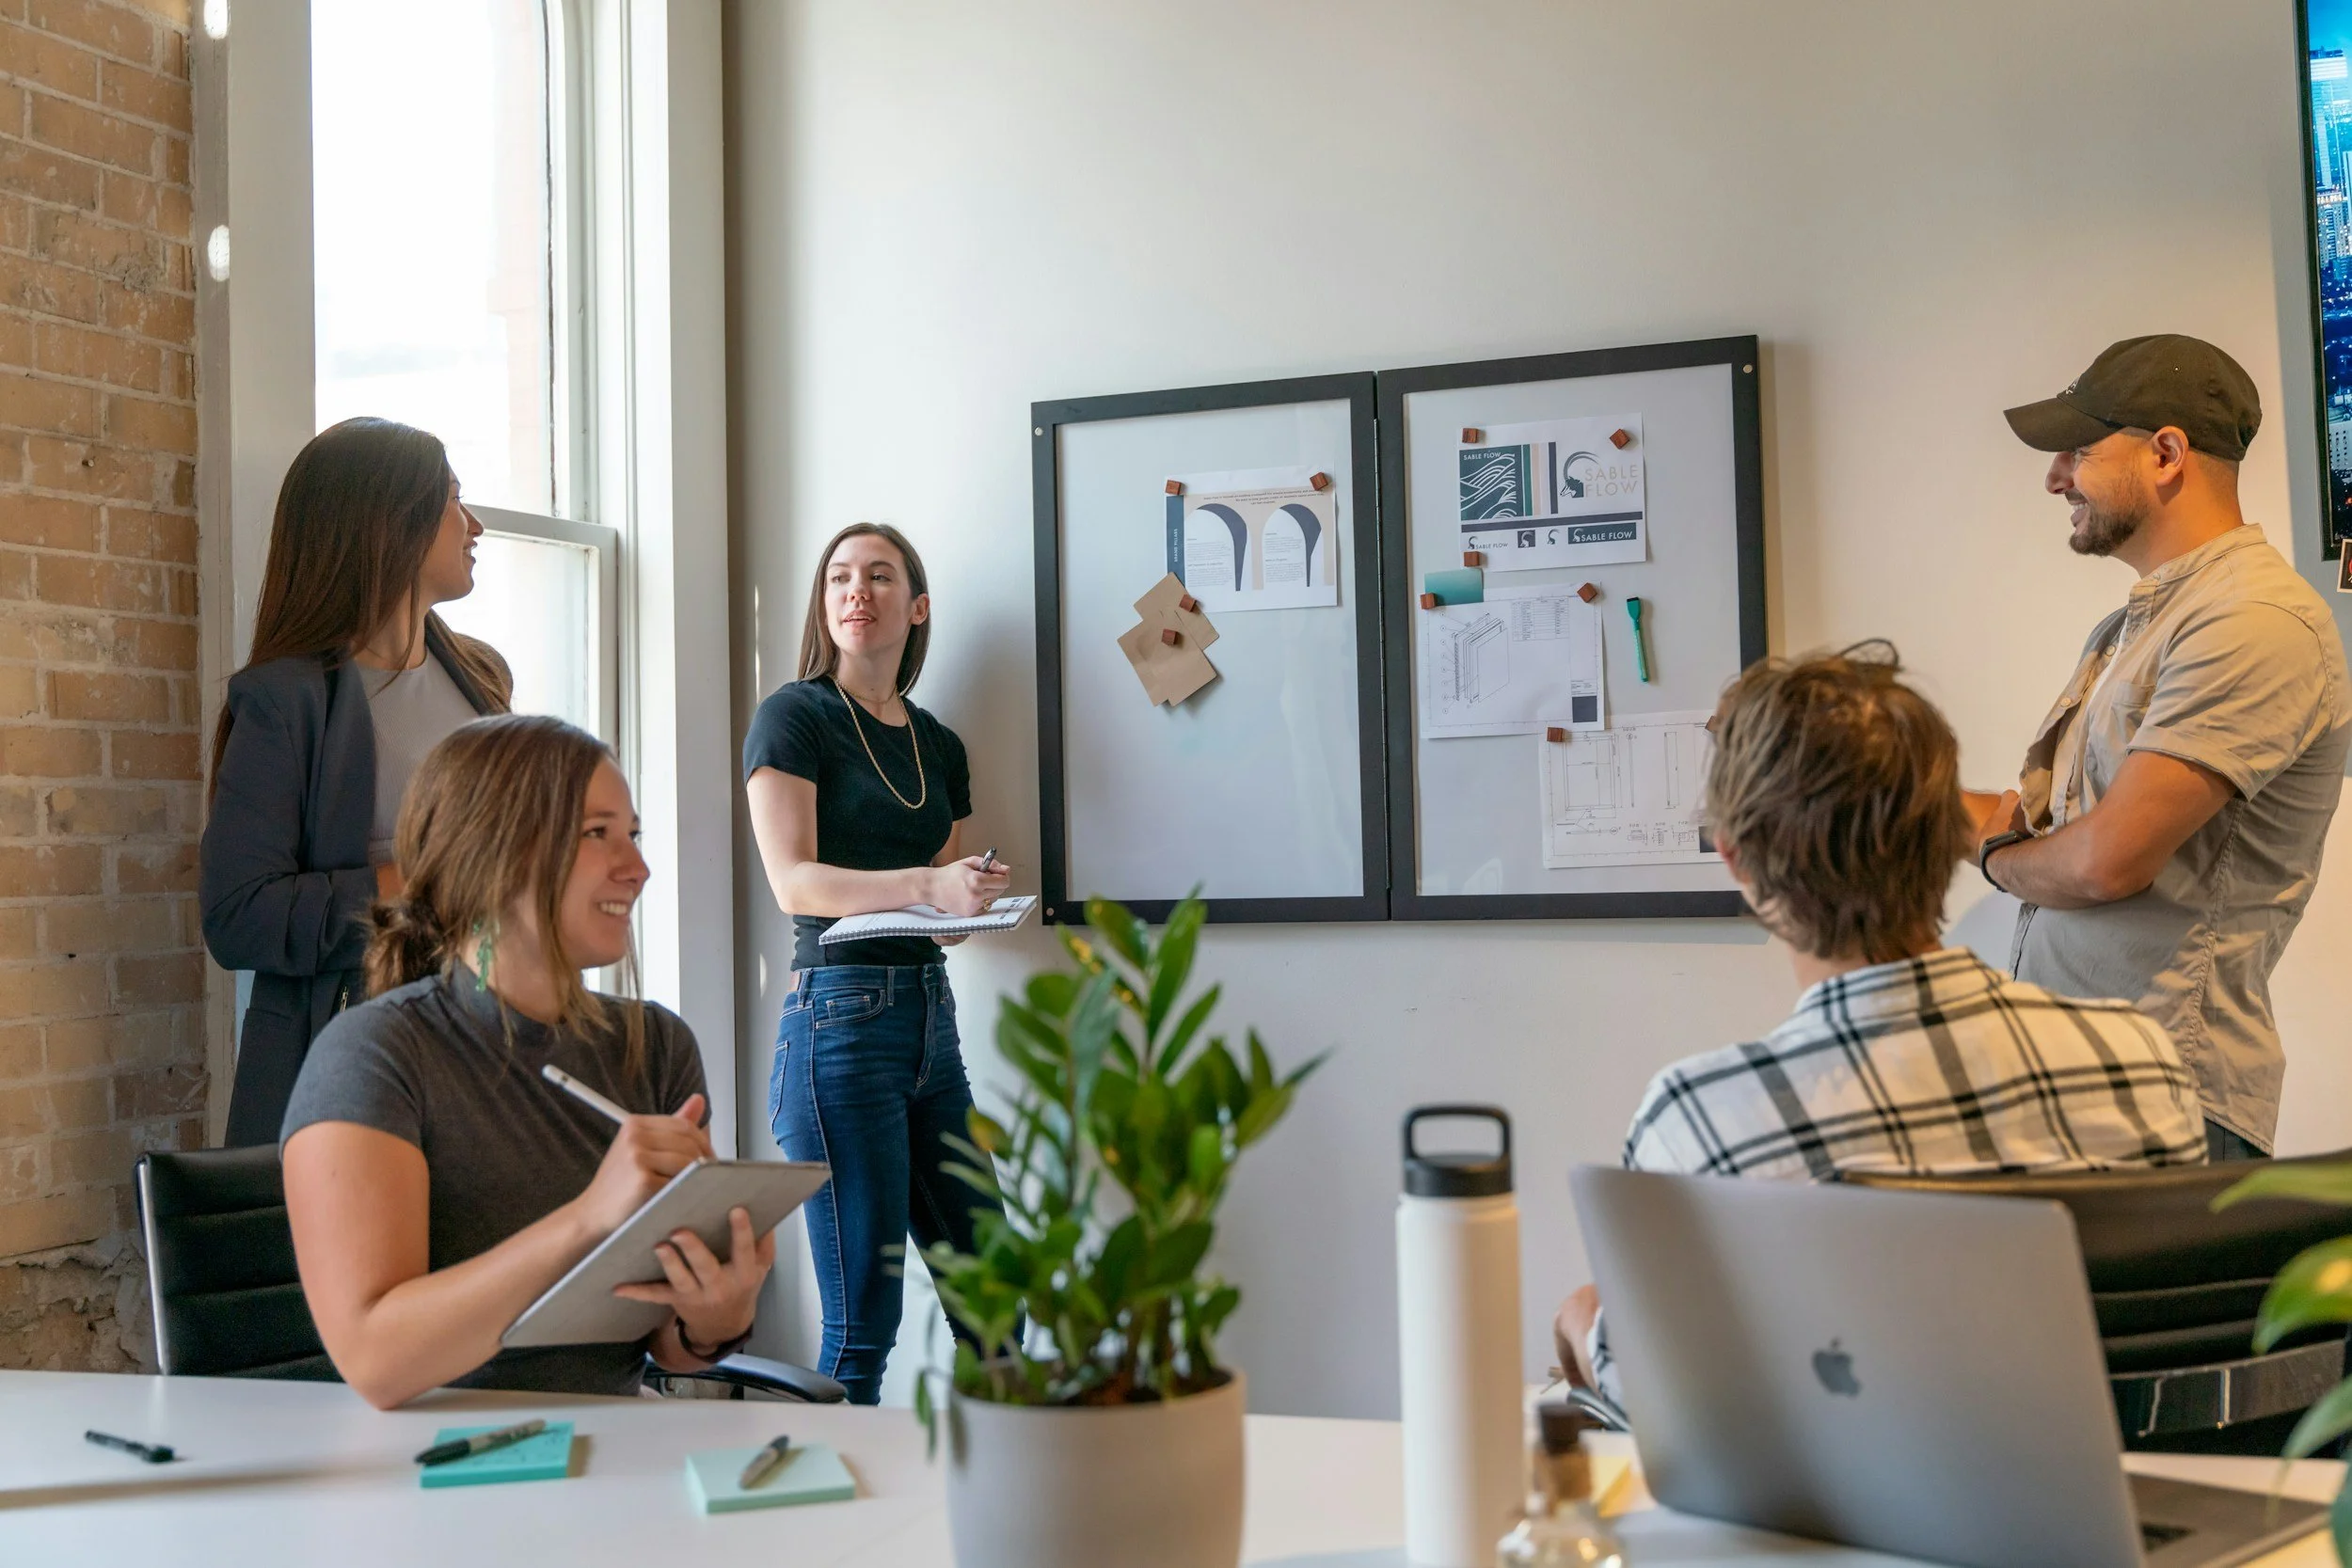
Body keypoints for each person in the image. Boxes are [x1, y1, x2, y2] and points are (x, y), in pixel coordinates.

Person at [1555, 644, 2205, 1399]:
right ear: (1948, 837)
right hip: (2102, 1508)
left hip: (1833, 1521)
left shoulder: (1701, 1121)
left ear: (1738, 862)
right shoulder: (2140, 1064)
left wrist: (1582, 1320)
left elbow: (1670, 1401)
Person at [281, 715, 771, 1408]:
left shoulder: (658, 1046)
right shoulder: (372, 1055)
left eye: (633, 834)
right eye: (597, 833)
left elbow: (663, 1338)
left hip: (614, 1451)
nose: (637, 868)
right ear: (495, 851)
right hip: (436, 1465)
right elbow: (374, 1357)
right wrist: (588, 1219)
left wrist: (713, 1318)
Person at [1968, 336, 2352, 1160]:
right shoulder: (2137, 627)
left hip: (2161, 1105)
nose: (2054, 478)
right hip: (2086, 1095)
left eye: (2076, 451)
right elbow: (2057, 831)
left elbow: (2108, 860)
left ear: (2167, 453)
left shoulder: (2253, 621)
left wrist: (1998, 856)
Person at [742, 522, 1009, 1404]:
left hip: (929, 1015)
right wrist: (931, 887)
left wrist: (963, 900)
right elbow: (795, 882)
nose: (858, 590)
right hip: (839, 1023)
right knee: (865, 1324)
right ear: (825, 605)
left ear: (917, 606)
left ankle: (987, 1509)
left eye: (881, 576)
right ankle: (834, 1530)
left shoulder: (939, 746)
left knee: (996, 1304)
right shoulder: (795, 714)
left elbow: (928, 908)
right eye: (841, 578)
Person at [201, 418, 512, 1147]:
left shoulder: (484, 680)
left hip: (486, 1043)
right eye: (453, 500)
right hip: (350, 1060)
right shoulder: (286, 701)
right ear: (389, 520)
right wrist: (421, 881)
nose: (474, 525)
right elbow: (238, 913)